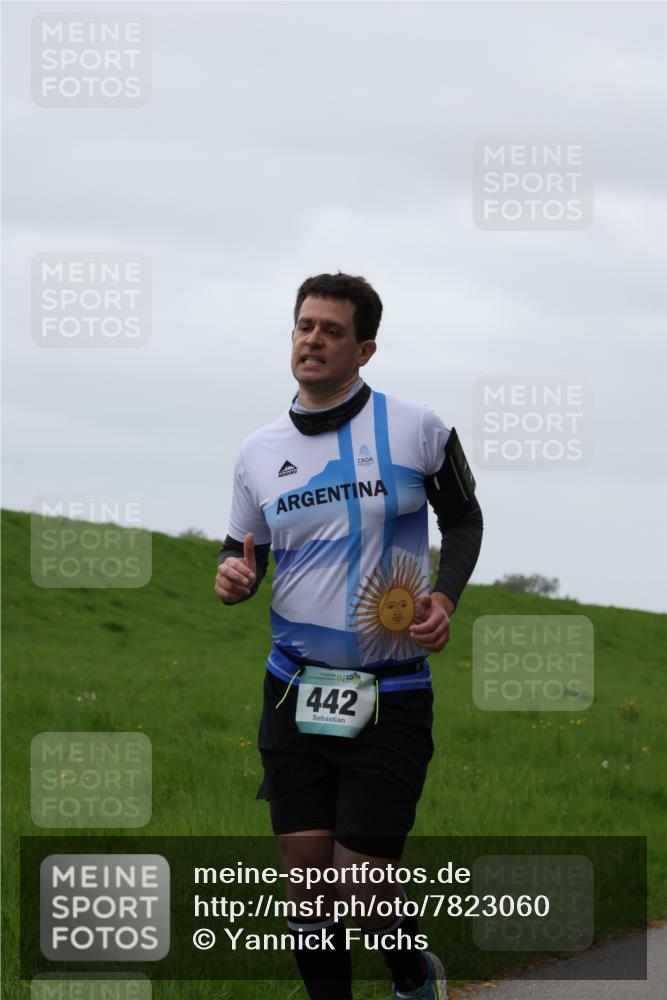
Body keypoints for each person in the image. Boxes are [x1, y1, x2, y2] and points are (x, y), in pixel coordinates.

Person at [215, 273, 483, 1000]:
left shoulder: (416, 427)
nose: (313, 339)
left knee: (361, 884)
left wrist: (445, 599)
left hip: (389, 693)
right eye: (304, 325)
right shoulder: (257, 451)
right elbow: (245, 547)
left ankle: (410, 972)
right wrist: (233, 575)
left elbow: (463, 521)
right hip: (293, 690)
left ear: (363, 348)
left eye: (332, 330)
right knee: (308, 890)